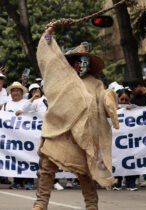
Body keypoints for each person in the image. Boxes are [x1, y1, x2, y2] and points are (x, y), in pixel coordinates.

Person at [32, 22, 119, 210]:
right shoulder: (59, 77)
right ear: (71, 63)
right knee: (46, 167)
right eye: (77, 61)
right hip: (58, 129)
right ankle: (40, 204)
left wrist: (109, 98)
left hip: (84, 134)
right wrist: (48, 33)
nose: (81, 65)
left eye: (84, 62)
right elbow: (47, 59)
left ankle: (91, 205)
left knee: (86, 172)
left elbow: (104, 100)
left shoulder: (95, 84)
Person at [113, 89, 138, 191]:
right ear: (118, 99)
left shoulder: (134, 107)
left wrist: (133, 109)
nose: (123, 102)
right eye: (121, 99)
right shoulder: (113, 107)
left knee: (130, 160)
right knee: (117, 160)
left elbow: (144, 110)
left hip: (129, 140)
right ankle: (117, 183)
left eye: (126, 99)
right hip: (117, 140)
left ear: (129, 99)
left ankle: (130, 183)